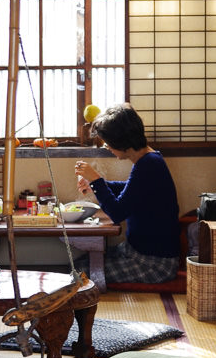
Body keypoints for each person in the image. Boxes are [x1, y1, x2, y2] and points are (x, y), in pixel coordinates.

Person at [73, 103, 180, 284]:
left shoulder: (148, 164)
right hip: (135, 252)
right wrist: (95, 184)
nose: (106, 146)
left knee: (79, 272)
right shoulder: (149, 160)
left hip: (154, 263)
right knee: (79, 263)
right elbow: (132, 190)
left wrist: (97, 180)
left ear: (121, 141)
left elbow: (117, 213)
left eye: (108, 142)